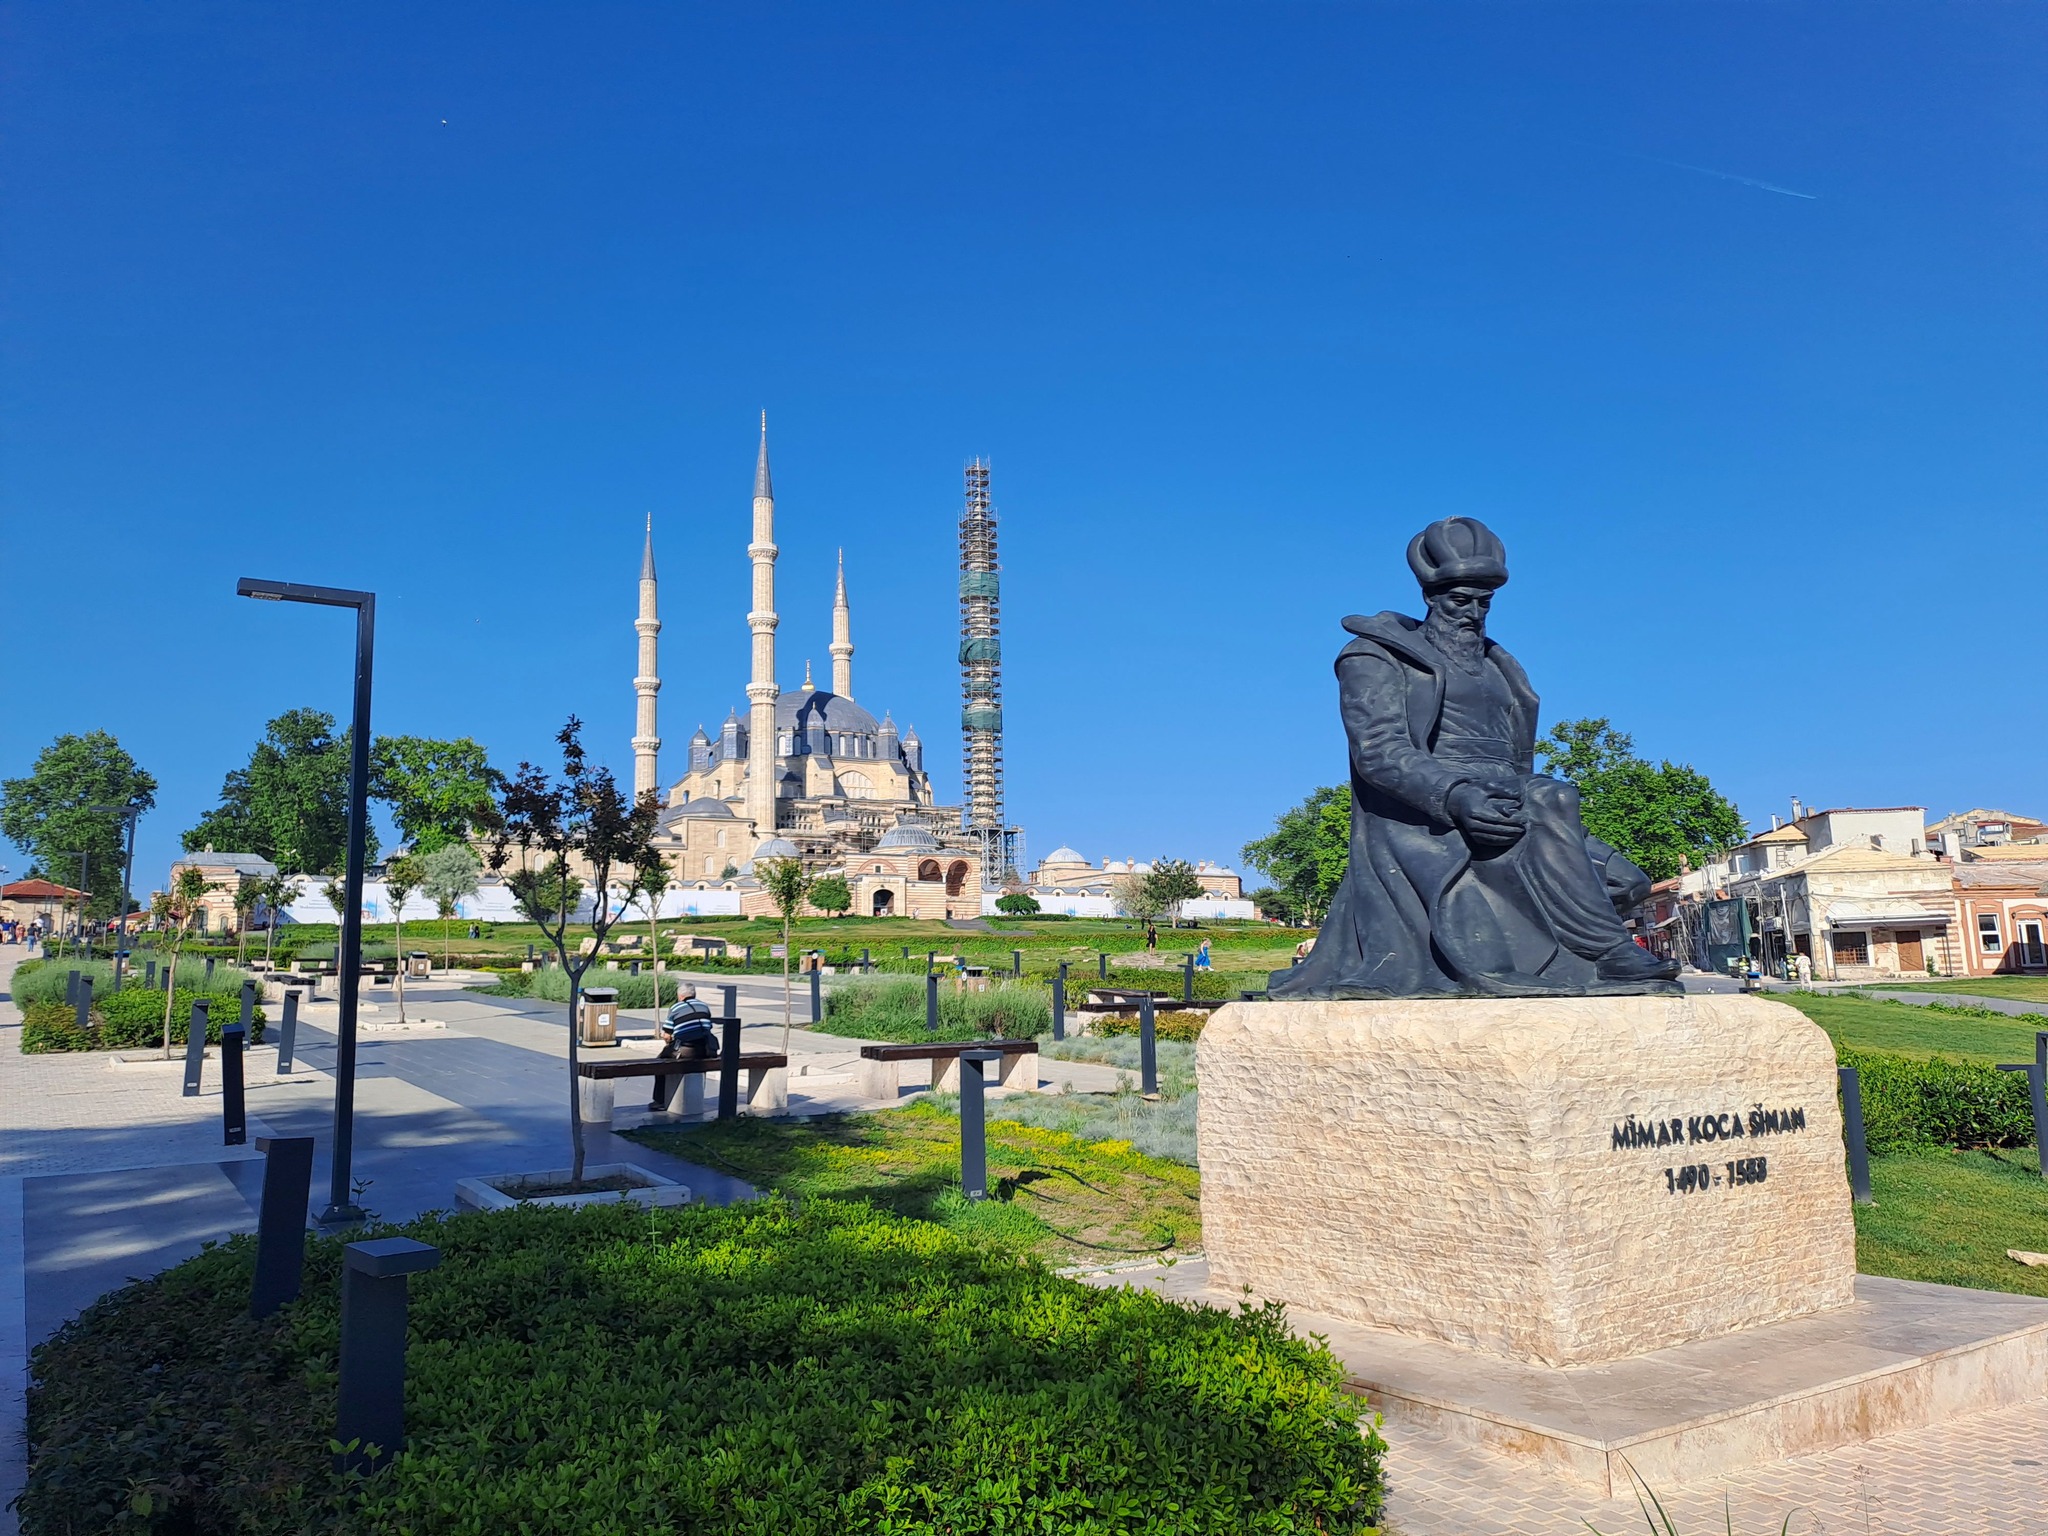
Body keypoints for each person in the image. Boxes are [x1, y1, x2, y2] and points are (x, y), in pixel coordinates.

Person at [1275, 516, 1679, 999]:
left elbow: (1517, 757)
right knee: (1553, 798)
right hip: (1431, 810)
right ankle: (1609, 953)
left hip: (1515, 800)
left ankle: (1585, 956)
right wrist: (1457, 796)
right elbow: (1379, 752)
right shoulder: (1375, 656)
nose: (1473, 613)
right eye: (1460, 601)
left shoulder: (1500, 664)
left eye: (1483, 602)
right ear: (1431, 597)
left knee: (1628, 883)